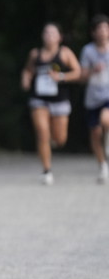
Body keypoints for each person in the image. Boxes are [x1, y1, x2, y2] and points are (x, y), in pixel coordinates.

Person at [20, 23, 81, 185]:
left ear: (60, 37)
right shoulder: (35, 54)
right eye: (46, 33)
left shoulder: (65, 53)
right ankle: (46, 170)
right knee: (42, 132)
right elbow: (28, 70)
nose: (49, 36)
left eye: (53, 33)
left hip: (60, 100)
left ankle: (52, 144)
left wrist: (61, 77)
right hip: (39, 99)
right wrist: (25, 79)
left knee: (60, 139)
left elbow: (78, 72)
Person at [78, 14, 109, 183]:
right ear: (93, 32)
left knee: (106, 119)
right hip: (93, 97)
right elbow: (82, 77)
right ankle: (102, 165)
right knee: (95, 133)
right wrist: (92, 70)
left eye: (106, 28)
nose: (103, 32)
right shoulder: (88, 51)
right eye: (100, 29)